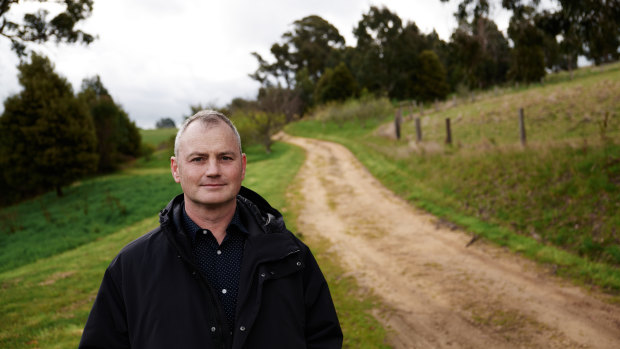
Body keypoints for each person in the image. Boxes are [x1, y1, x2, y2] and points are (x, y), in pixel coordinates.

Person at [79, 110, 342, 349]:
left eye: (225, 158)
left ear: (243, 166)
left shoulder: (290, 255)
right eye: (198, 159)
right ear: (176, 169)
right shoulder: (130, 267)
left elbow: (324, 338)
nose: (213, 170)